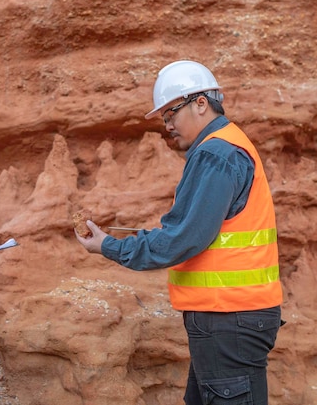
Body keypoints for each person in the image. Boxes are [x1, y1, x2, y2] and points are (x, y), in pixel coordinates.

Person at [75, 60, 283, 405]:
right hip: (229, 318)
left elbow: (181, 239)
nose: (167, 125)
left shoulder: (216, 153)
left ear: (201, 103)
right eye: (164, 117)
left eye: (171, 112)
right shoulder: (227, 145)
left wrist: (109, 246)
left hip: (228, 318)